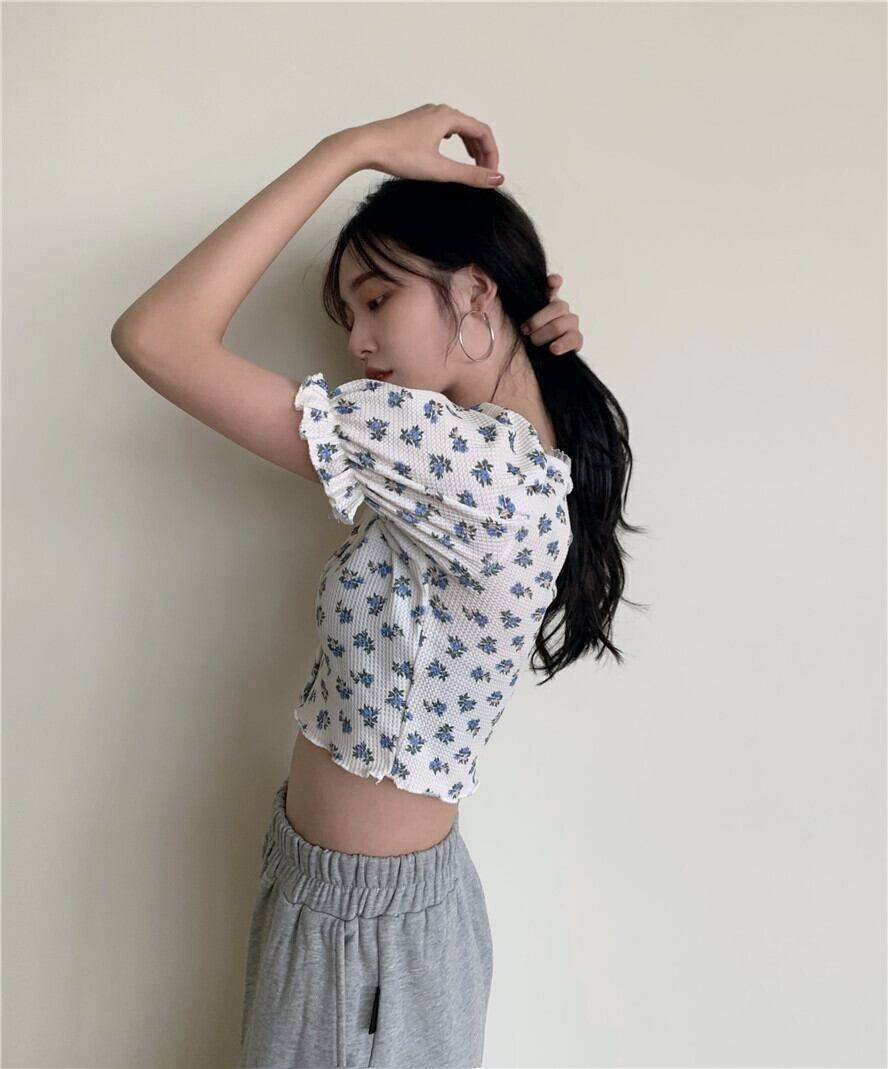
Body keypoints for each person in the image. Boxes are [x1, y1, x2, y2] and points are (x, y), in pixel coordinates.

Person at [111, 103, 642, 1069]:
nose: (357, 340)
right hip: (361, 920)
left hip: (365, 947)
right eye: (348, 315)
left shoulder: (445, 450)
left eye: (375, 300)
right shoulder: (515, 449)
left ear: (475, 294)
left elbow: (155, 335)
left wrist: (346, 150)